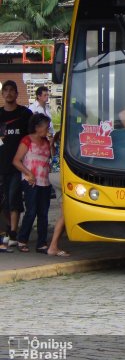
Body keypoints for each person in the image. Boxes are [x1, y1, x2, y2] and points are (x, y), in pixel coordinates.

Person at [0, 80, 33, 252]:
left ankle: (13, 232)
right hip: (2, 163)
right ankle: (7, 229)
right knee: (4, 199)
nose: (9, 93)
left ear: (16, 93)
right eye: (6, 90)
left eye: (12, 90)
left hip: (19, 165)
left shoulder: (25, 114)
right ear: (2, 94)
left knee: (14, 198)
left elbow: (33, 137)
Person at [13, 113, 52, 253]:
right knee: (31, 211)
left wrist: (52, 141)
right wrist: (28, 173)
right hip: (31, 181)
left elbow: (50, 157)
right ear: (37, 127)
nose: (48, 129)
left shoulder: (46, 141)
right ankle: (22, 239)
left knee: (43, 213)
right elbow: (16, 160)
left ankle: (42, 243)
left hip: (45, 181)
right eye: (46, 127)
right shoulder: (27, 140)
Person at [47, 131, 69, 256]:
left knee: (65, 213)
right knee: (68, 212)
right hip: (63, 176)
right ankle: (53, 246)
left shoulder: (55, 142)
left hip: (53, 175)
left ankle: (53, 246)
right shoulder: (70, 142)